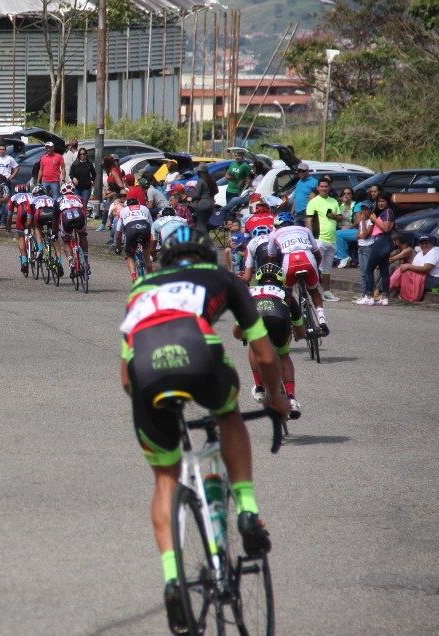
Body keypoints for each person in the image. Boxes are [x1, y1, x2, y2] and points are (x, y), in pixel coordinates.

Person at [118, 227, 287, 635]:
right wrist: (275, 400)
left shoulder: (141, 287)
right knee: (228, 415)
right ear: (208, 259)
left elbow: (126, 377)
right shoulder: (222, 278)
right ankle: (246, 510)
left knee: (165, 480)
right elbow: (264, 353)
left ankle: (173, 580)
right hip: (200, 357)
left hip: (145, 374)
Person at [236, 263, 305, 416]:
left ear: (258, 279)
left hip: (257, 321)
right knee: (283, 355)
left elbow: (237, 331)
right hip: (280, 322)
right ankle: (292, 399)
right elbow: (300, 333)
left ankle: (259, 387)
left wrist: (243, 336)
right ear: (280, 279)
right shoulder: (286, 293)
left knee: (254, 344)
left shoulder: (249, 292)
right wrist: (297, 335)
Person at [266, 212, 330, 334]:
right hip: (308, 258)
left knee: (286, 293)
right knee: (314, 291)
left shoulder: (274, 234)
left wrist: (277, 274)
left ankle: (288, 322)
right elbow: (317, 253)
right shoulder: (304, 229)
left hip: (289, 260)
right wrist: (316, 269)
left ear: (277, 225)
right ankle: (322, 319)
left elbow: (271, 259)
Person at [305, 176, 341, 302]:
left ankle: (327, 292)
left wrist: (334, 216)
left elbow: (340, 218)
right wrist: (310, 239)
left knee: (327, 269)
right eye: (322, 186)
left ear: (329, 187)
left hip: (332, 239)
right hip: (319, 239)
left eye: (326, 186)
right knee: (314, 266)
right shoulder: (313, 202)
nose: (324, 188)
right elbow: (309, 220)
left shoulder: (334, 201)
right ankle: (312, 291)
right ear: (318, 188)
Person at [362, 193, 397, 306]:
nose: (380, 204)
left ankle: (369, 296)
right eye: (379, 202)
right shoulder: (385, 212)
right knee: (384, 270)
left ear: (387, 202)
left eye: (383, 201)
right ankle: (385, 297)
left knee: (369, 270)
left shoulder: (387, 212)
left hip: (381, 241)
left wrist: (374, 219)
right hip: (384, 242)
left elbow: (386, 228)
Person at [389, 233, 439, 302]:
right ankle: (387, 290)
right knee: (402, 270)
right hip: (421, 277)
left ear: (431, 244)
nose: (424, 245)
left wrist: (408, 266)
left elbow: (426, 269)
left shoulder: (434, 253)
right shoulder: (419, 254)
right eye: (422, 243)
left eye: (426, 243)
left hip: (433, 280)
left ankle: (385, 290)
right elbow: (413, 267)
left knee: (404, 270)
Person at [28, 184, 63, 275]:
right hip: (52, 215)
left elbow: (30, 217)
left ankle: (40, 249)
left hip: (40, 214)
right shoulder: (51, 198)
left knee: (37, 228)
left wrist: (30, 226)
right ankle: (59, 262)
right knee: (55, 238)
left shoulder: (32, 200)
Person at [57, 182, 90, 275]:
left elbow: (56, 218)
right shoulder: (79, 198)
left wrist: (55, 232)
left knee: (66, 240)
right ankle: (86, 261)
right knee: (82, 235)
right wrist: (84, 229)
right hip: (79, 216)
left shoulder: (59, 199)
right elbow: (84, 212)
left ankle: (71, 261)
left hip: (66, 218)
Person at [118, 196, 154, 280]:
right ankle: (150, 270)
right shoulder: (144, 208)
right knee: (145, 248)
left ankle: (134, 276)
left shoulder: (123, 211)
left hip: (131, 229)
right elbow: (151, 225)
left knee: (130, 255)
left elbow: (118, 231)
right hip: (145, 227)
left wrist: (118, 246)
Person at [352, 202, 378, 305]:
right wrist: (360, 235)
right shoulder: (362, 222)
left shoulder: (370, 222)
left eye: (366, 209)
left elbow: (366, 235)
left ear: (371, 211)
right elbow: (359, 234)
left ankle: (369, 294)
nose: (364, 211)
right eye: (363, 209)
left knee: (368, 272)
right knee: (363, 272)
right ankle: (364, 294)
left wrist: (362, 221)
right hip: (361, 247)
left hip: (368, 247)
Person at [6, 183, 33, 274]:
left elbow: (9, 215)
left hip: (21, 214)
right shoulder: (31, 195)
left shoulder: (13, 197)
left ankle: (24, 261)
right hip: (31, 215)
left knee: (21, 237)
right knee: (36, 229)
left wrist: (8, 227)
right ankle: (37, 247)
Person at [334, 187, 358, 268]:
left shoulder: (355, 205)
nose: (346, 195)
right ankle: (345, 258)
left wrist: (349, 228)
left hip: (353, 228)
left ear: (352, 195)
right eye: (344, 194)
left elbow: (358, 221)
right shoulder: (340, 206)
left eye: (348, 193)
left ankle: (343, 257)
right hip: (342, 227)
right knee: (338, 234)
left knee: (338, 234)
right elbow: (337, 219)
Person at [189, 163, 217, 232]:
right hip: (211, 204)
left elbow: (197, 195)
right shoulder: (211, 180)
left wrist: (191, 199)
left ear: (199, 172)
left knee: (201, 224)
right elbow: (216, 191)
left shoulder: (201, 181)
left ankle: (202, 240)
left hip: (202, 205)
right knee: (206, 223)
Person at [69, 147, 97, 212]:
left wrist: (92, 180)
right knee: (77, 203)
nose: (82, 155)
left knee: (84, 204)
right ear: (79, 155)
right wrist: (73, 178)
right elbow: (71, 173)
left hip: (86, 188)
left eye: (84, 154)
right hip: (77, 187)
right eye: (81, 154)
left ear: (86, 155)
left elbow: (94, 174)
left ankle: (83, 217)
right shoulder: (75, 164)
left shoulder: (89, 164)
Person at [291, 163, 317, 227]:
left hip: (307, 213)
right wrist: (292, 212)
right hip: (297, 214)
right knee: (298, 234)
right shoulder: (299, 182)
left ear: (308, 171)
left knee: (308, 233)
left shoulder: (314, 182)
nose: (301, 173)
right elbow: (296, 198)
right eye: (299, 171)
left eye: (303, 171)